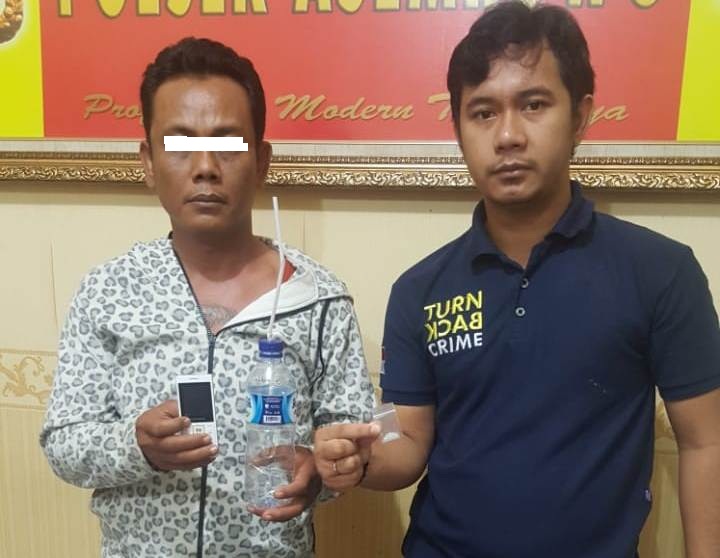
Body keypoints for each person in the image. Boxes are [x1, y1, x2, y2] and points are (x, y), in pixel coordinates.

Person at [314, 3, 720, 557]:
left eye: (533, 105)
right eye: (482, 112)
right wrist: (361, 460)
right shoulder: (420, 289)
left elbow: (705, 442)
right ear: (459, 131)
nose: (507, 135)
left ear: (580, 117)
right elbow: (408, 443)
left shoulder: (660, 271)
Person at [40, 37, 374, 558]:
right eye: (178, 144)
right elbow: (63, 442)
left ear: (261, 161)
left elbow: (351, 442)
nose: (204, 166)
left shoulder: (318, 299)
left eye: (229, 143)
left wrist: (321, 472)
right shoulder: (109, 290)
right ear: (148, 161)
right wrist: (135, 446)